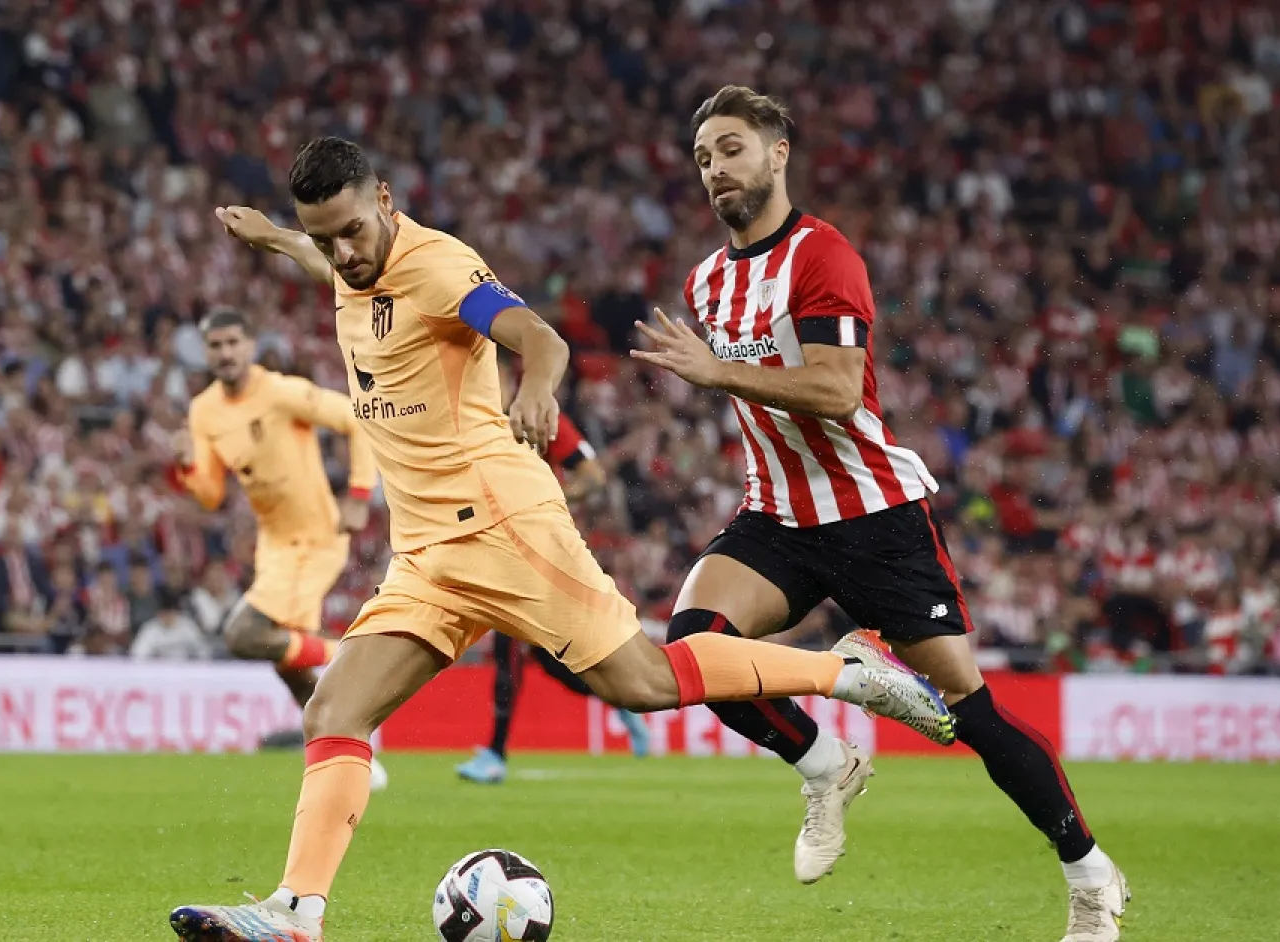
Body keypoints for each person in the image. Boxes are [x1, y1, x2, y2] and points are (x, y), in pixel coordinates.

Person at [168, 136, 951, 942]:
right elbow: (324, 260)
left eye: (352, 232)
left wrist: (538, 387)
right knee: (334, 707)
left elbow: (540, 337)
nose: (342, 252)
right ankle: (296, 916)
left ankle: (844, 672)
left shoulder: (440, 268)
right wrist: (275, 236)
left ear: (387, 202)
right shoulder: (344, 259)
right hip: (427, 554)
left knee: (643, 682)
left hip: (501, 524)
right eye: (324, 236)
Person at [630, 85, 1127, 942]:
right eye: (705, 157)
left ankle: (1088, 871)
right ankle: (827, 765)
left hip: (872, 517)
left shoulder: (824, 257)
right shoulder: (707, 281)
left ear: (778, 152)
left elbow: (830, 389)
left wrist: (717, 373)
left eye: (733, 149)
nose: (716, 170)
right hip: (777, 518)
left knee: (968, 709)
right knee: (693, 649)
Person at [173, 310, 385, 775]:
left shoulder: (281, 392)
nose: (225, 354)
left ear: (250, 345)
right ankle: (350, 753)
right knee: (284, 661)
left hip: (315, 537)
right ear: (205, 351)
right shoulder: (203, 411)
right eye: (216, 346)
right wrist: (188, 469)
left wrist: (358, 495)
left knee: (244, 635)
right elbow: (210, 495)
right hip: (274, 542)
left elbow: (357, 418)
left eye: (233, 343)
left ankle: (353, 656)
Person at [456, 373, 651, 784]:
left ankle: (494, 754)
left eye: (495, 379)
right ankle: (615, 697)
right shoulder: (474, 426)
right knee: (548, 659)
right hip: (500, 550)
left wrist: (544, 502)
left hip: (540, 548)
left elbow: (593, 476)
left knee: (508, 650)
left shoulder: (542, 417)